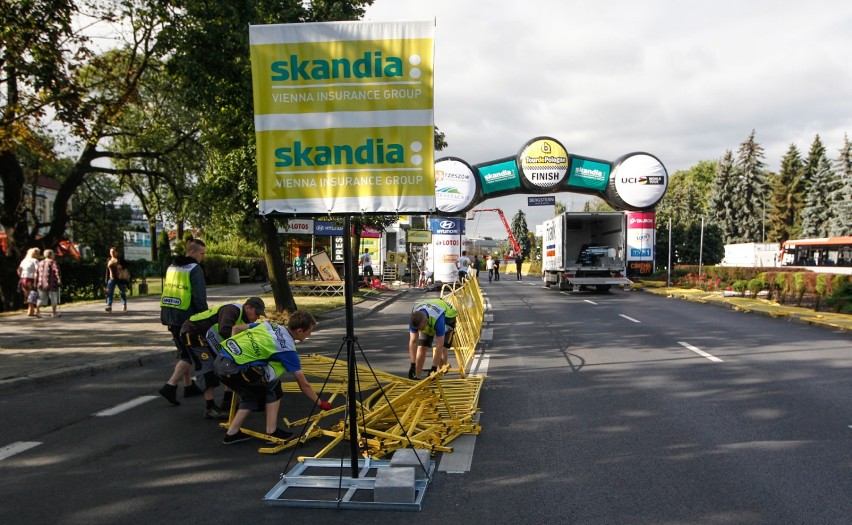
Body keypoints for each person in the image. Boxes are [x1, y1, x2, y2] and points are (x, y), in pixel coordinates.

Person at [215, 312, 333, 445]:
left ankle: (232, 433)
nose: (310, 335)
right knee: (273, 387)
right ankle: (272, 431)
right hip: (234, 369)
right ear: (300, 331)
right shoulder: (287, 349)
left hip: (220, 360)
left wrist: (237, 353)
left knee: (253, 392)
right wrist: (320, 403)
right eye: (309, 331)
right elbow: (303, 384)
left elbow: (236, 328)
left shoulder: (270, 325)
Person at [179, 297, 266, 419]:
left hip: (209, 336)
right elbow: (224, 330)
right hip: (193, 331)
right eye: (257, 313)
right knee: (206, 366)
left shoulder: (242, 318)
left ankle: (227, 401)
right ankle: (210, 408)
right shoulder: (233, 310)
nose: (257, 317)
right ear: (248, 308)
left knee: (229, 363)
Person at [158, 239, 208, 405]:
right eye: (202, 253)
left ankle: (188, 385)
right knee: (188, 355)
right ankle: (170, 386)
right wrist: (204, 318)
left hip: (169, 314)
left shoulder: (172, 266)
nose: (203, 257)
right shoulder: (195, 269)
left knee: (182, 349)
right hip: (186, 316)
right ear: (192, 252)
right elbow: (199, 297)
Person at [407, 298, 458, 380]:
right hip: (428, 312)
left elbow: (439, 346)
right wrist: (412, 365)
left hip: (448, 318)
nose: (420, 331)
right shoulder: (414, 318)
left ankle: (438, 376)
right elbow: (413, 342)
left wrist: (433, 368)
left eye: (421, 328)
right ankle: (416, 376)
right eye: (418, 329)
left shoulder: (438, 320)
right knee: (422, 346)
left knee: (443, 348)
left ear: (426, 322)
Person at [35, 249, 62, 318]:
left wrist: (35, 282)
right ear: (50, 255)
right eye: (53, 254)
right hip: (52, 283)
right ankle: (54, 312)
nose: (54, 256)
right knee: (53, 297)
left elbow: (36, 273)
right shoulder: (53, 262)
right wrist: (59, 280)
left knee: (41, 298)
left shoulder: (40, 262)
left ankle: (37, 311)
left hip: (41, 283)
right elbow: (56, 271)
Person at [104, 247, 130, 313]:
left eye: (113, 252)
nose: (112, 253)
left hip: (119, 278)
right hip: (111, 278)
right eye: (110, 252)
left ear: (116, 252)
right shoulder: (109, 259)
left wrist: (122, 266)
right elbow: (107, 271)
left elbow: (127, 265)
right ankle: (109, 306)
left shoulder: (120, 259)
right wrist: (106, 281)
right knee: (110, 292)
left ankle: (124, 304)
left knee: (122, 292)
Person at [17, 247, 41, 317]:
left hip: (24, 278)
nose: (38, 255)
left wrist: (21, 276)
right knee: (33, 294)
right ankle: (31, 310)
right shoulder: (35, 260)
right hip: (32, 279)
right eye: (37, 253)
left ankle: (30, 310)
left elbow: (19, 269)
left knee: (27, 294)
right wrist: (37, 278)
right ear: (34, 254)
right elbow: (37, 270)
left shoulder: (24, 260)